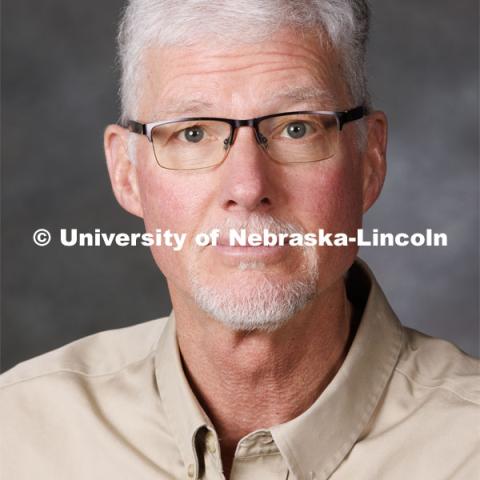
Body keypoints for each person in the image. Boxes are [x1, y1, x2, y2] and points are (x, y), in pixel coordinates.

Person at [1, 1, 478, 479]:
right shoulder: (19, 431)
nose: (248, 189)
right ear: (126, 173)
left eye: (297, 128)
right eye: (192, 134)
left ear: (370, 162)